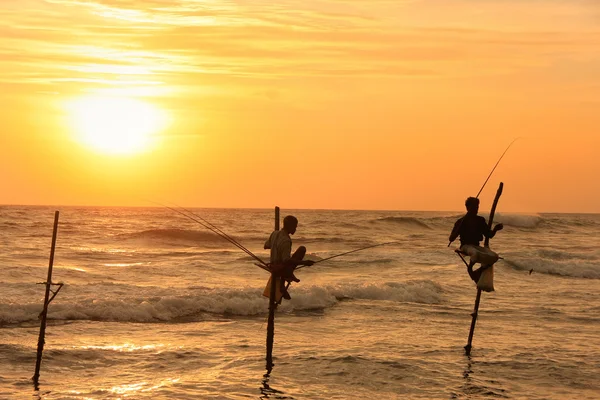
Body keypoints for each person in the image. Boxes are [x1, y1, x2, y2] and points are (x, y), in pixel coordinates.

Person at [449, 197, 503, 282]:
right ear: (468, 208)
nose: (476, 209)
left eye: (477, 206)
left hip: (476, 246)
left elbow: (489, 235)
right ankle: (470, 269)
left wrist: (495, 229)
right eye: (474, 207)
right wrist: (458, 228)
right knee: (475, 253)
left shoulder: (480, 220)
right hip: (465, 246)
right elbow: (451, 238)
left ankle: (479, 271)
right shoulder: (461, 221)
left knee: (494, 256)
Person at [264, 215, 314, 300]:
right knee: (302, 249)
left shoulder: (274, 233)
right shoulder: (286, 240)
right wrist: (305, 262)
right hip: (280, 269)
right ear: (290, 226)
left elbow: (266, 246)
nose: (295, 229)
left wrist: (276, 245)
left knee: (287, 257)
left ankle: (287, 277)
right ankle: (286, 279)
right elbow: (286, 260)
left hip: (272, 265)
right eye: (295, 227)